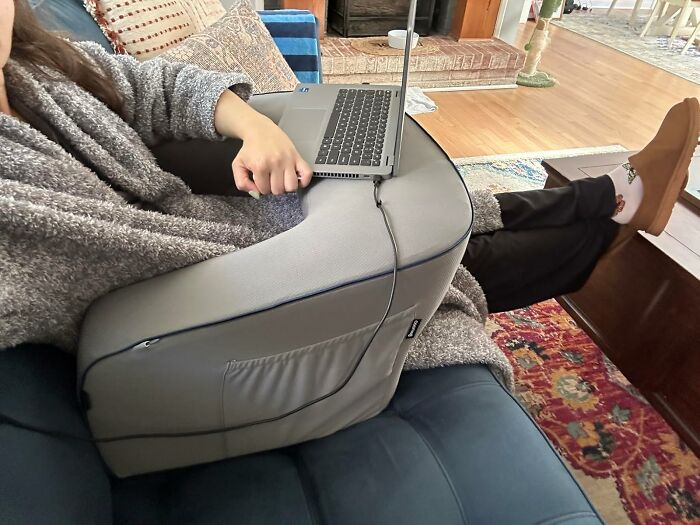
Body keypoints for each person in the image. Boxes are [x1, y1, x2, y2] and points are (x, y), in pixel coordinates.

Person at [0, 0, 697, 354]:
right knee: (431, 247)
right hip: (216, 293)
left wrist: (255, 124)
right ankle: (607, 221)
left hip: (219, 219)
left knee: (409, 186)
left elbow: (144, 83)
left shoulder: (29, 68)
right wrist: (325, 232)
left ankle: (602, 195)